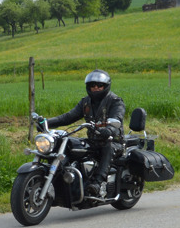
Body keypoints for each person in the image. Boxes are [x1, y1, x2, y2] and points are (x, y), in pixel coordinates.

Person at [37, 69, 126, 197]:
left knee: (108, 146)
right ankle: (65, 182)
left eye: (99, 85)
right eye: (92, 85)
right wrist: (46, 122)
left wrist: (109, 130)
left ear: (106, 86)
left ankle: (97, 183)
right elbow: (68, 117)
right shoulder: (85, 102)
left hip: (113, 141)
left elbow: (117, 119)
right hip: (93, 141)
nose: (95, 88)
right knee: (67, 143)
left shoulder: (115, 101)